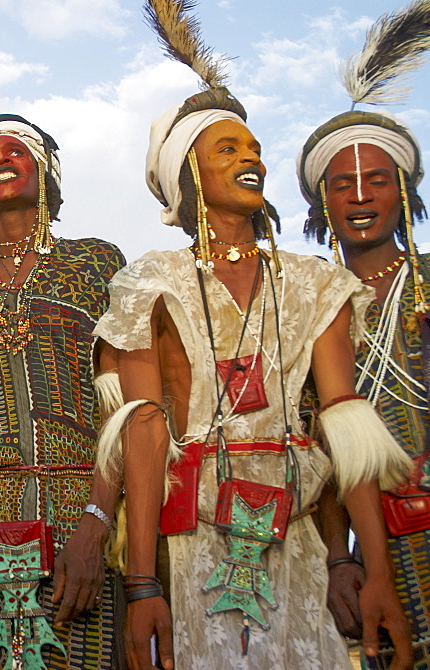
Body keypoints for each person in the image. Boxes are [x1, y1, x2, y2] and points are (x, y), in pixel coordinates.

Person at [94, 2, 414, 668]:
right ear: (189, 174)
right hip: (194, 544)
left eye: (256, 149)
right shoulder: (149, 284)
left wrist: (371, 568)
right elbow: (145, 432)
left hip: (294, 539)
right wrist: (143, 583)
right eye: (228, 149)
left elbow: (344, 421)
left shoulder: (312, 284)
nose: (252, 160)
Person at [0, 113, 125, 670]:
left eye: (15, 151)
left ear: (46, 175)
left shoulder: (95, 262)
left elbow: (117, 405)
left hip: (80, 514)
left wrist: (96, 524)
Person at [297, 3, 430, 665]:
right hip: (377, 545)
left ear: (403, 190)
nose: (358, 195)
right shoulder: (311, 308)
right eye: (340, 184)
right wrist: (335, 559)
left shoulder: (428, 279)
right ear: (323, 205)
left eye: (376, 179)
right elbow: (316, 448)